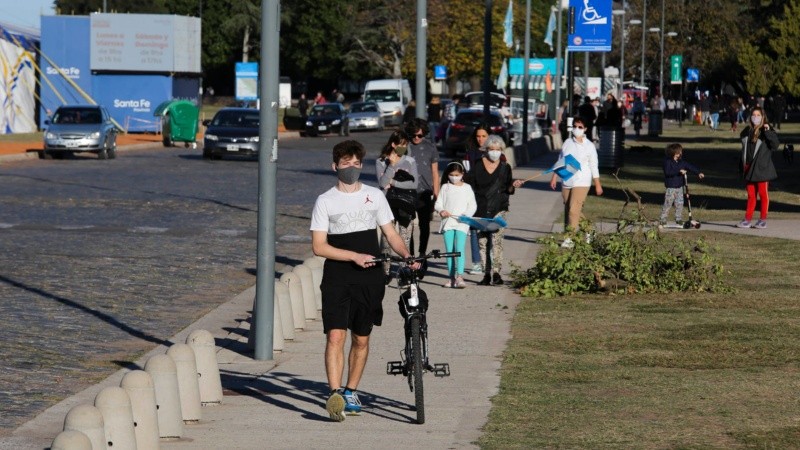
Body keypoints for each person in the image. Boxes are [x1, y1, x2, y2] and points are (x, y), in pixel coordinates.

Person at [310, 140, 418, 421]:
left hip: (370, 277)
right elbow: (319, 246)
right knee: (335, 335)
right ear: (335, 166)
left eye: (356, 163)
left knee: (360, 337)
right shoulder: (325, 200)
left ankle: (350, 391)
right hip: (337, 276)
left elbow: (391, 234)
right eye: (346, 163)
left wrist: (407, 255)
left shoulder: (374, 196)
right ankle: (335, 394)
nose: (351, 168)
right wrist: (353, 256)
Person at [466, 135, 524, 286]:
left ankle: (496, 273)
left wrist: (514, 185)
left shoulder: (505, 167)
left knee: (497, 241)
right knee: (483, 241)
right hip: (480, 208)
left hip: (500, 208)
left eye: (498, 149)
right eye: (492, 149)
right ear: (486, 150)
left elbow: (508, 188)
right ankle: (486, 274)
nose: (495, 152)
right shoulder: (477, 165)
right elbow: (470, 185)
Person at [549, 117, 603, 248]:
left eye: (580, 127)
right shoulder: (567, 143)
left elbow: (594, 165)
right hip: (567, 180)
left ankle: (570, 239)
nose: (576, 129)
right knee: (571, 209)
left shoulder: (589, 146)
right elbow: (561, 160)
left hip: (582, 181)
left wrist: (597, 184)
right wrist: (554, 177)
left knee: (573, 210)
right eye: (575, 126)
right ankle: (590, 229)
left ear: (585, 129)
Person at [375, 130, 418, 280]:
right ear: (393, 144)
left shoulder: (410, 161)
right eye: (401, 144)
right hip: (387, 205)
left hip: (406, 204)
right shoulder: (381, 161)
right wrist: (392, 166)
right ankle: (385, 272)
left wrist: (393, 182)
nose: (404, 147)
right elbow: (382, 183)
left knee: (405, 239)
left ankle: (404, 272)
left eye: (406, 145)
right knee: (386, 241)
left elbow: (414, 184)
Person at [434, 161, 477, 288]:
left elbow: (473, 205)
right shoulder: (445, 187)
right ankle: (451, 277)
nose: (454, 177)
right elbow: (438, 203)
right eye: (451, 175)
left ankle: (460, 276)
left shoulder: (467, 188)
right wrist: (441, 210)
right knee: (449, 251)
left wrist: (466, 215)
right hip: (448, 222)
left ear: (462, 174)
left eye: (457, 175)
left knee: (459, 249)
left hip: (462, 223)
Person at [736, 106, 780, 229]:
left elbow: (775, 145)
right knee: (751, 195)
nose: (756, 117)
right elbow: (744, 150)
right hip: (748, 168)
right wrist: (742, 166)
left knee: (763, 194)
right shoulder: (747, 131)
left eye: (758, 115)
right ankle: (747, 220)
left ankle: (762, 220)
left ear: (763, 117)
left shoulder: (766, 130)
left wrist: (768, 132)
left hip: (762, 169)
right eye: (754, 115)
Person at [406, 118, 440, 260]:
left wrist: (436, 194)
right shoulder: (405, 146)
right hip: (407, 191)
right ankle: (410, 255)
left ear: (424, 133)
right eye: (413, 135)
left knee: (424, 224)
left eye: (419, 135)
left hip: (425, 192)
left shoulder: (430, 147)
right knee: (408, 226)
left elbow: (435, 173)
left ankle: (422, 254)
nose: (416, 138)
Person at [462, 122, 492, 275]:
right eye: (478, 136)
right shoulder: (470, 154)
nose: (481, 139)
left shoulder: (495, 152)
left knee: (489, 229)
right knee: (474, 230)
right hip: (474, 196)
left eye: (484, 136)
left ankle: (489, 260)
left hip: (490, 197)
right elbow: (466, 174)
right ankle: (476, 263)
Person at [660, 143, 704, 225]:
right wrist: (679, 171)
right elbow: (668, 172)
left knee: (679, 203)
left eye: (681, 151)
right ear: (674, 152)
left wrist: (698, 173)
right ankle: (663, 219)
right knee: (668, 203)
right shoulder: (667, 161)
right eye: (679, 151)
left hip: (680, 187)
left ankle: (678, 219)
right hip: (671, 187)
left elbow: (690, 166)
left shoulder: (681, 162)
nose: (681, 152)